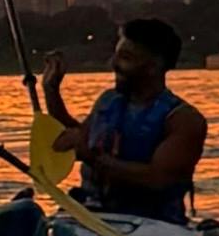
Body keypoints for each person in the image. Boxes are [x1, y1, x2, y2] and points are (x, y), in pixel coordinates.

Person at [46, 15, 209, 221]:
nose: (112, 64)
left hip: (152, 224)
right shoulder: (108, 101)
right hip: (94, 214)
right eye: (116, 55)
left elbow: (157, 178)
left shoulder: (184, 120)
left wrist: (90, 156)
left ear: (153, 66)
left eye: (126, 58)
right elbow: (75, 138)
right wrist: (51, 91)